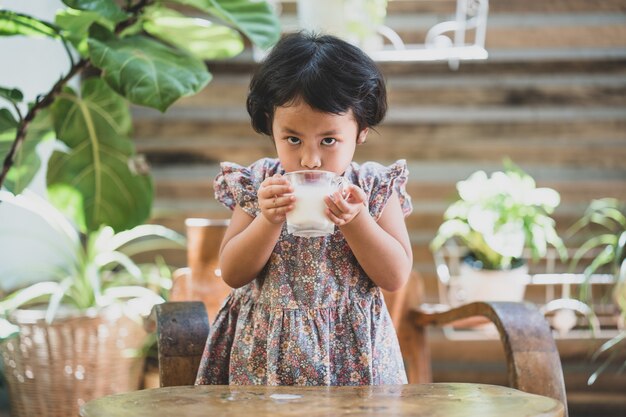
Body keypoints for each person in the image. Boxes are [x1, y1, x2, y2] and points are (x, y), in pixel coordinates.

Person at [195, 31, 413, 386]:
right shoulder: (261, 183)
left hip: (352, 357)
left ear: (361, 132)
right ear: (271, 125)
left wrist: (356, 221)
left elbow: (394, 276)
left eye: (329, 140)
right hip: (265, 357)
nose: (310, 159)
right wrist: (268, 219)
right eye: (292, 139)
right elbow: (233, 273)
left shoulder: (373, 188)